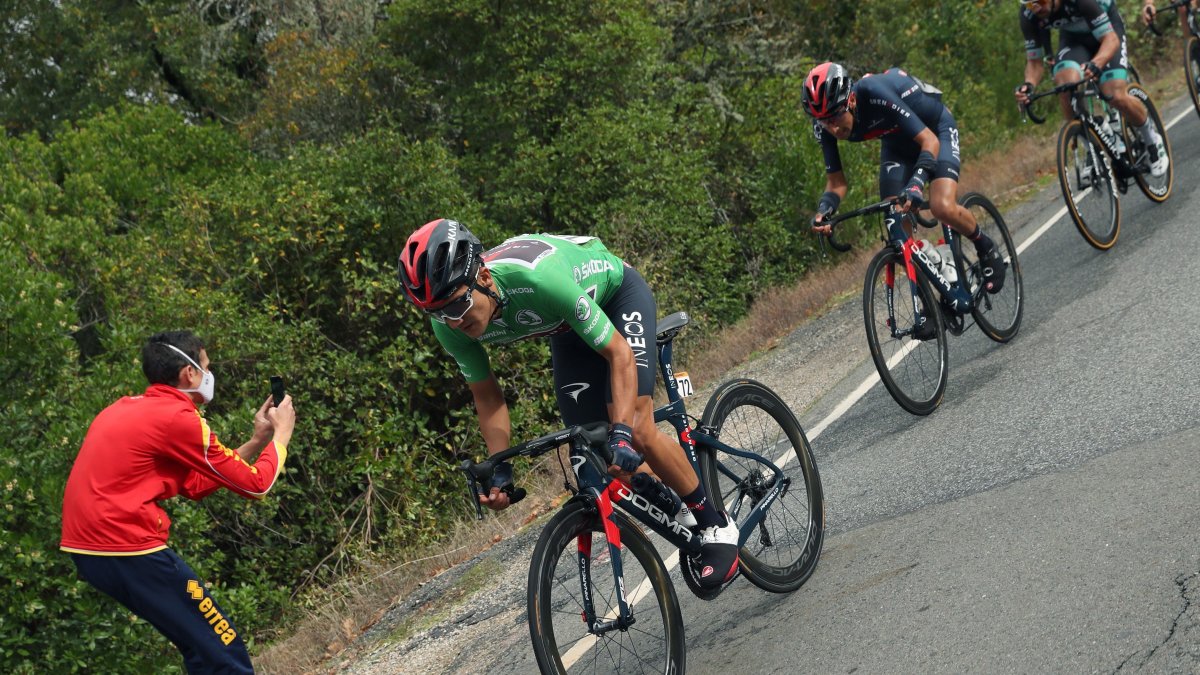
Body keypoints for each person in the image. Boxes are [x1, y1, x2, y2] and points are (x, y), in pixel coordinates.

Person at [396, 219, 740, 590]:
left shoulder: (538, 281)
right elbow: (487, 395)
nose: (455, 320)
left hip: (616, 295)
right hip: (565, 326)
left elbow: (619, 355)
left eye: (460, 304)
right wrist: (500, 465)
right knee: (597, 453)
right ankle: (678, 508)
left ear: (484, 277)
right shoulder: (450, 324)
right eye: (440, 313)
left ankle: (715, 526)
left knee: (636, 429)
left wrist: (622, 432)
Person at [60, 331, 296, 674]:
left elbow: (197, 484)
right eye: (206, 368)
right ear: (189, 374)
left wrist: (258, 441)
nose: (209, 375)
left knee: (200, 646)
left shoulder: (128, 409)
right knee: (220, 643)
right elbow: (257, 485)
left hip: (91, 551)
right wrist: (283, 433)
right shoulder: (177, 419)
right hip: (125, 546)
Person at [803, 61, 1006, 337]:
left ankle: (986, 247)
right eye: (824, 121)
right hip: (897, 145)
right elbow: (836, 183)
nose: (832, 127)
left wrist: (916, 183)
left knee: (941, 206)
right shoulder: (824, 126)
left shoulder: (873, 91)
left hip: (935, 131)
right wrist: (825, 210)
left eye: (835, 116)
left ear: (850, 100)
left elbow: (929, 142)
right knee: (895, 225)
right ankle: (929, 304)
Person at [1013, 0, 1169, 177]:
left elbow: (1110, 40)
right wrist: (1028, 85)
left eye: (1039, 1)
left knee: (1114, 94)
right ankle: (1095, 140)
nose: (1036, 8)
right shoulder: (1028, 15)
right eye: (1030, 5)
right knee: (1064, 85)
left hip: (1108, 30)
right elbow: (1034, 63)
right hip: (1074, 40)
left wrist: (1096, 63)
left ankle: (1152, 140)